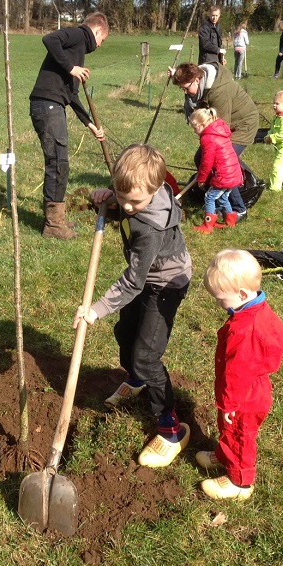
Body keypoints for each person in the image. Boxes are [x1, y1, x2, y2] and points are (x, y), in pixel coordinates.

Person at [74, 144, 193, 469]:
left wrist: (95, 309)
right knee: (125, 330)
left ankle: (171, 428)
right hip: (148, 277)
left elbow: (133, 282)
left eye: (134, 201)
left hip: (166, 284)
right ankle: (138, 380)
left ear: (154, 191)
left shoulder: (149, 230)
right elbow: (123, 206)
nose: (127, 206)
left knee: (145, 354)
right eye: (121, 193)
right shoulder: (133, 201)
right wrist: (109, 198)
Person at [196, 249, 283, 500]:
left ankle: (240, 481)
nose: (218, 303)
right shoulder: (257, 310)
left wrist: (229, 405)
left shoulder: (245, 330)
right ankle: (225, 456)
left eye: (220, 299)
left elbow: (237, 373)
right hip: (252, 388)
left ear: (243, 294)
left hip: (243, 397)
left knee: (239, 434)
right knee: (230, 433)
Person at [29, 12, 109, 240]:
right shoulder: (78, 35)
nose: (100, 46)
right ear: (97, 32)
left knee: (60, 162)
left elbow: (72, 95)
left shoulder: (78, 51)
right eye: (103, 40)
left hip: (53, 105)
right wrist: (71, 68)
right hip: (47, 105)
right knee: (57, 162)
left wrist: (90, 125)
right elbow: (49, 39)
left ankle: (58, 219)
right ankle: (53, 225)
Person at [171, 61, 259, 221]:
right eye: (181, 88)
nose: (184, 92)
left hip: (242, 124)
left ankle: (239, 209)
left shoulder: (218, 91)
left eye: (186, 87)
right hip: (223, 126)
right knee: (200, 159)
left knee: (222, 165)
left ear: (197, 80)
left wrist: (208, 147)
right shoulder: (202, 85)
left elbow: (221, 125)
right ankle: (217, 199)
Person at [190, 107, 244, 232]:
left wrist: (201, 179)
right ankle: (230, 222)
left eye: (195, 127)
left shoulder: (208, 138)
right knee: (223, 197)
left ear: (203, 124)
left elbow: (206, 162)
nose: (194, 131)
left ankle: (207, 225)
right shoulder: (219, 131)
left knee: (209, 196)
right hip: (233, 173)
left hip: (224, 175)